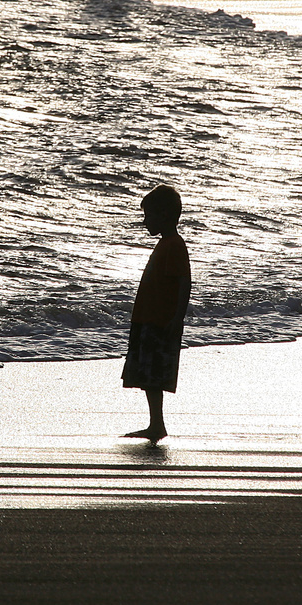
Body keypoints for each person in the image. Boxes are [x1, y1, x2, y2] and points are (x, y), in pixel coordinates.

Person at [122, 183, 191, 442]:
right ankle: (155, 423)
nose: (145, 222)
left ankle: (156, 425)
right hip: (149, 318)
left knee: (154, 375)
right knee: (147, 374)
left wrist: (177, 318)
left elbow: (184, 282)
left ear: (164, 215)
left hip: (160, 320)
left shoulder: (174, 245)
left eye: (149, 216)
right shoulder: (166, 244)